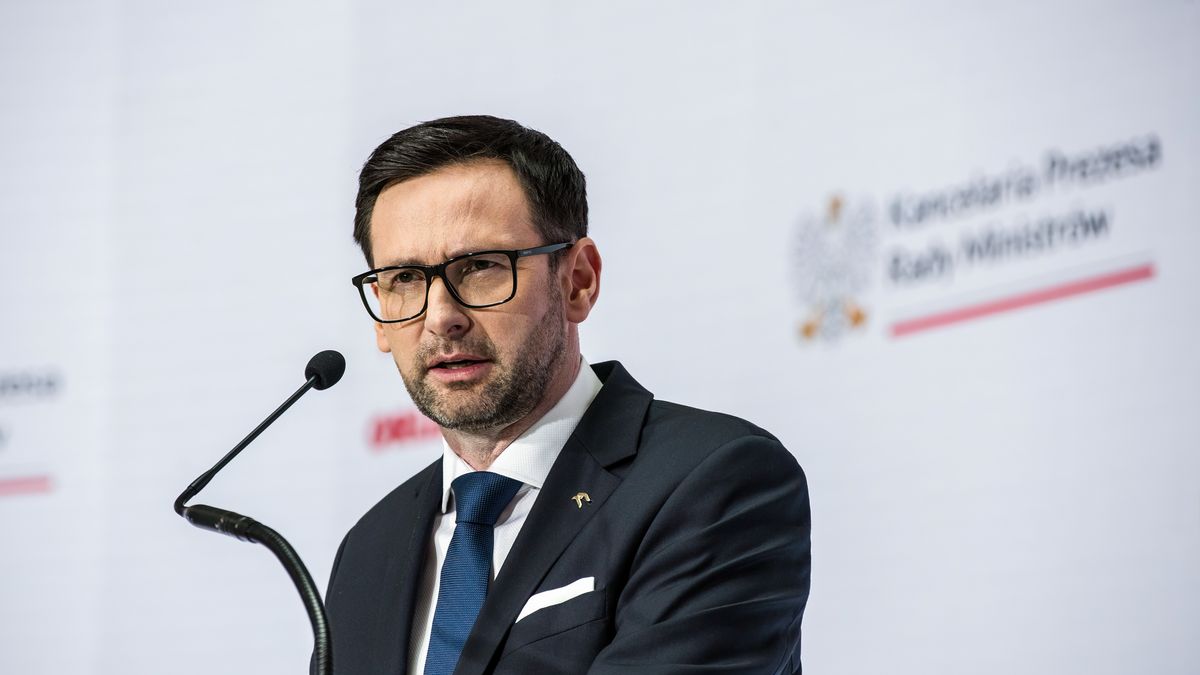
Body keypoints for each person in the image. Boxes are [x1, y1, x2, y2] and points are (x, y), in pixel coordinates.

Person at [325, 115, 811, 674]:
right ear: (380, 319)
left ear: (577, 280)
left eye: (482, 266)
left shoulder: (714, 480)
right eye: (405, 278)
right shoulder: (367, 550)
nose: (441, 318)